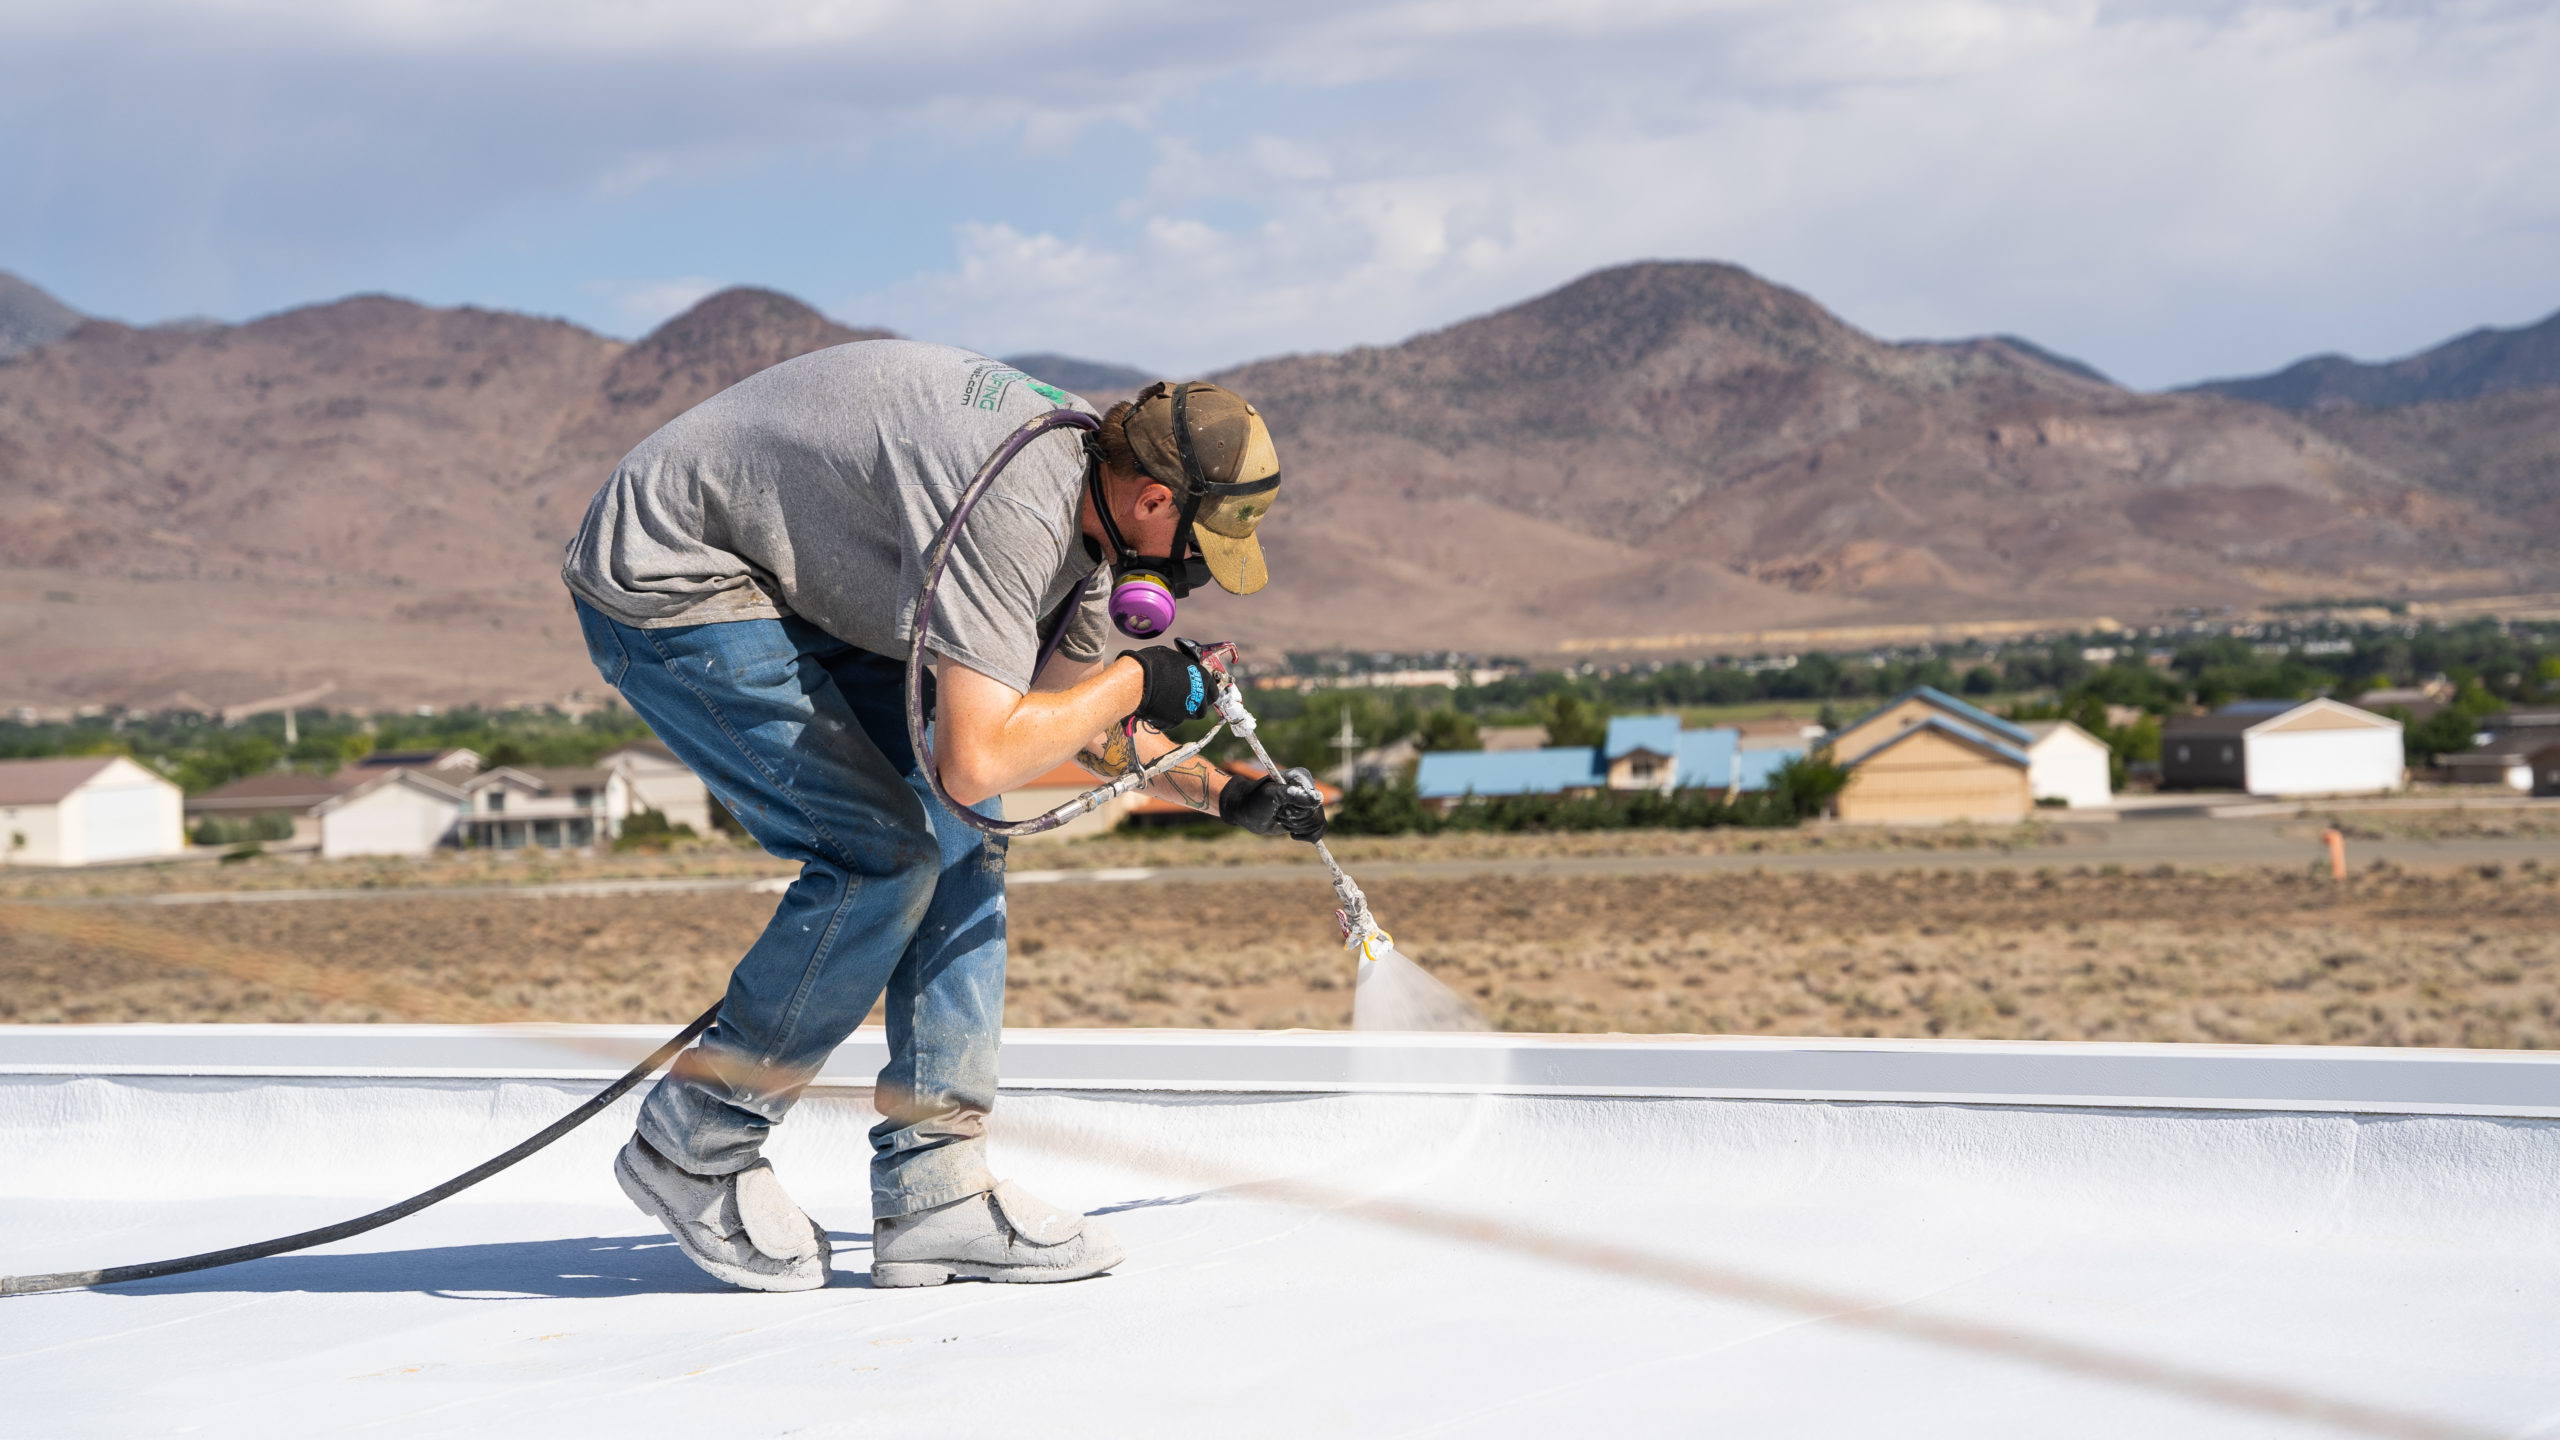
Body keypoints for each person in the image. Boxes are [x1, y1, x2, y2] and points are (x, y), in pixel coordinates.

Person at [560, 343, 1325, 1292]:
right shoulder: (1018, 513)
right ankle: (692, 1146)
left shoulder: (1089, 537)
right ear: (1156, 502)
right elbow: (981, 750)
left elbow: (1060, 723)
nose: (1197, 577)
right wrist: (1144, 673)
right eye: (1204, 551)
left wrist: (1227, 792)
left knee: (967, 835)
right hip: (681, 572)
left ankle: (937, 1194)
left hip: (809, 583)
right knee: (877, 857)